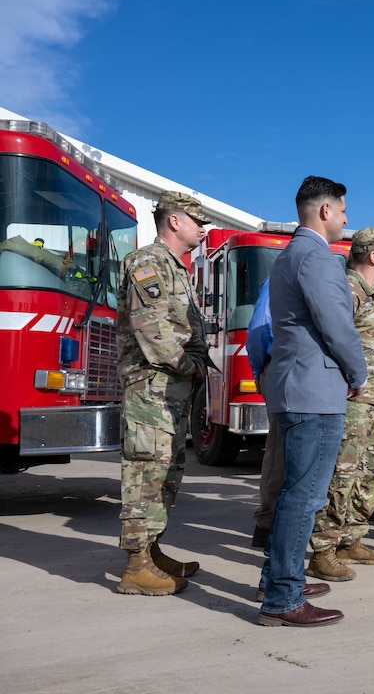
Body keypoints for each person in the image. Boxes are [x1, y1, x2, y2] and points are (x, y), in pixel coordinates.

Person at [257, 176, 366, 627]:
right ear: (324, 211)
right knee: (304, 496)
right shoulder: (317, 257)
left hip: (293, 383)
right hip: (314, 389)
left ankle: (278, 577)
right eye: (342, 211)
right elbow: (336, 323)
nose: (345, 219)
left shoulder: (290, 255)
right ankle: (284, 598)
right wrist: (358, 372)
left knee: (293, 491)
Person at [115, 191, 211, 596]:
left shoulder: (175, 267)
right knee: (145, 473)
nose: (201, 228)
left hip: (170, 389)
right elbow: (152, 329)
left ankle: (151, 551)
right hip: (153, 386)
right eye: (196, 220)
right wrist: (189, 366)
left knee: (166, 473)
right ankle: (136, 565)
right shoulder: (147, 262)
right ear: (174, 221)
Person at [305, 228, 374, 582]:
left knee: (368, 472)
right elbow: (330, 338)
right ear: (373, 256)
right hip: (354, 401)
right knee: (341, 475)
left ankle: (351, 538)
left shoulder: (372, 295)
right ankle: (323, 549)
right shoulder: (346, 289)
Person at [246, 278, 282, 548]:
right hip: (283, 370)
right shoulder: (279, 278)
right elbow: (259, 330)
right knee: (280, 450)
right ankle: (267, 524)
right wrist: (259, 371)